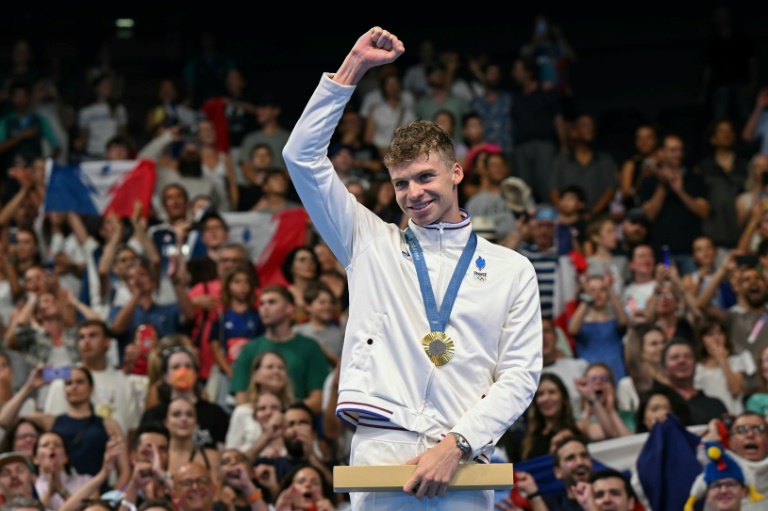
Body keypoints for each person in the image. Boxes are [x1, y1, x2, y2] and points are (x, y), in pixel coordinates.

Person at [282, 27, 542, 509]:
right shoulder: (368, 242)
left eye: (426, 177)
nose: (414, 193)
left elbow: (521, 375)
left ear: (456, 172)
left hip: (464, 455)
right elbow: (301, 157)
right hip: (384, 447)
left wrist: (458, 443)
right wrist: (352, 70)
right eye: (402, 184)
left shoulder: (512, 268)